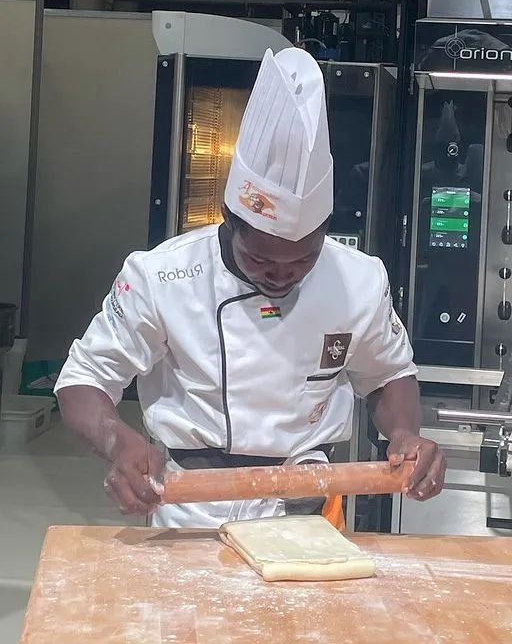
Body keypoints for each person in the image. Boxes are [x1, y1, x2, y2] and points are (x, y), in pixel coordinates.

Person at [55, 46, 446, 528]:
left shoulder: (359, 281)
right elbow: (84, 380)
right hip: (192, 505)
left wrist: (404, 435)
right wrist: (118, 440)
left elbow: (387, 375)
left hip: (308, 506)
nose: (282, 274)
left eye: (304, 259)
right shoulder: (160, 278)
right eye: (260, 259)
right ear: (227, 221)